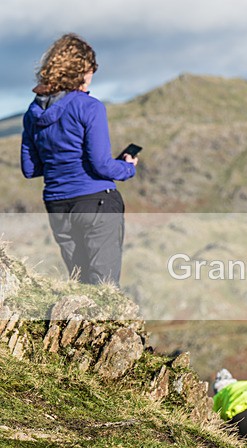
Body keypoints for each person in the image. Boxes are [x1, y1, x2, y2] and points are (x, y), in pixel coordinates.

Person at [20, 33, 137, 286]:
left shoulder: (33, 112)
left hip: (57, 204)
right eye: (90, 72)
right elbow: (101, 165)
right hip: (96, 201)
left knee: (80, 284)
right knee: (104, 286)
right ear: (81, 70)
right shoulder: (89, 107)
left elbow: (30, 168)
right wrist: (128, 167)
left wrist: (60, 160)